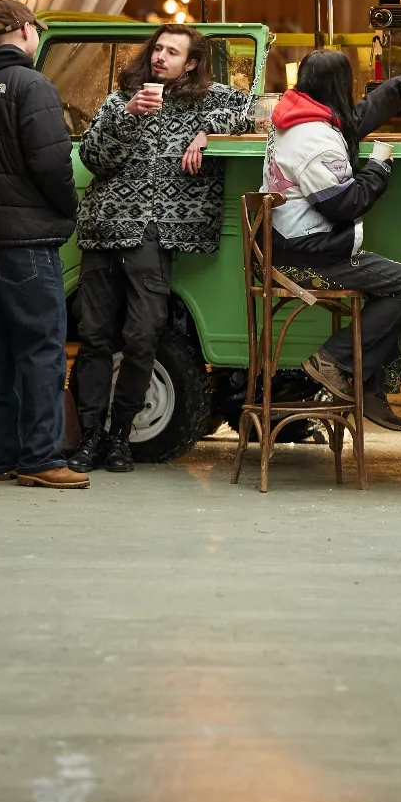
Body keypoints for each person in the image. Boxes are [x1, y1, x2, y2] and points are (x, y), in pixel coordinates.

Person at [68, 26, 254, 474]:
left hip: (153, 236)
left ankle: (120, 435)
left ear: (191, 64)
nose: (160, 57)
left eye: (172, 52)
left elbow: (255, 110)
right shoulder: (120, 100)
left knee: (143, 335)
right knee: (94, 338)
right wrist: (128, 115)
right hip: (104, 227)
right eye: (158, 48)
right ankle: (91, 436)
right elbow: (93, 158)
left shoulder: (209, 101)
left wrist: (209, 134)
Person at [262, 49, 401, 431]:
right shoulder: (313, 137)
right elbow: (346, 204)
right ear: (342, 85)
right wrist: (378, 169)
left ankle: (366, 384)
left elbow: (356, 119)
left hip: (294, 243)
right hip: (306, 254)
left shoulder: (300, 115)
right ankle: (335, 360)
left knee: (395, 286)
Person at [0, 0, 84, 489]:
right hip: (29, 239)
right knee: (41, 348)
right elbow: (53, 163)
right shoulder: (32, 86)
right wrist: (68, 209)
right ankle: (40, 459)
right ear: (27, 31)